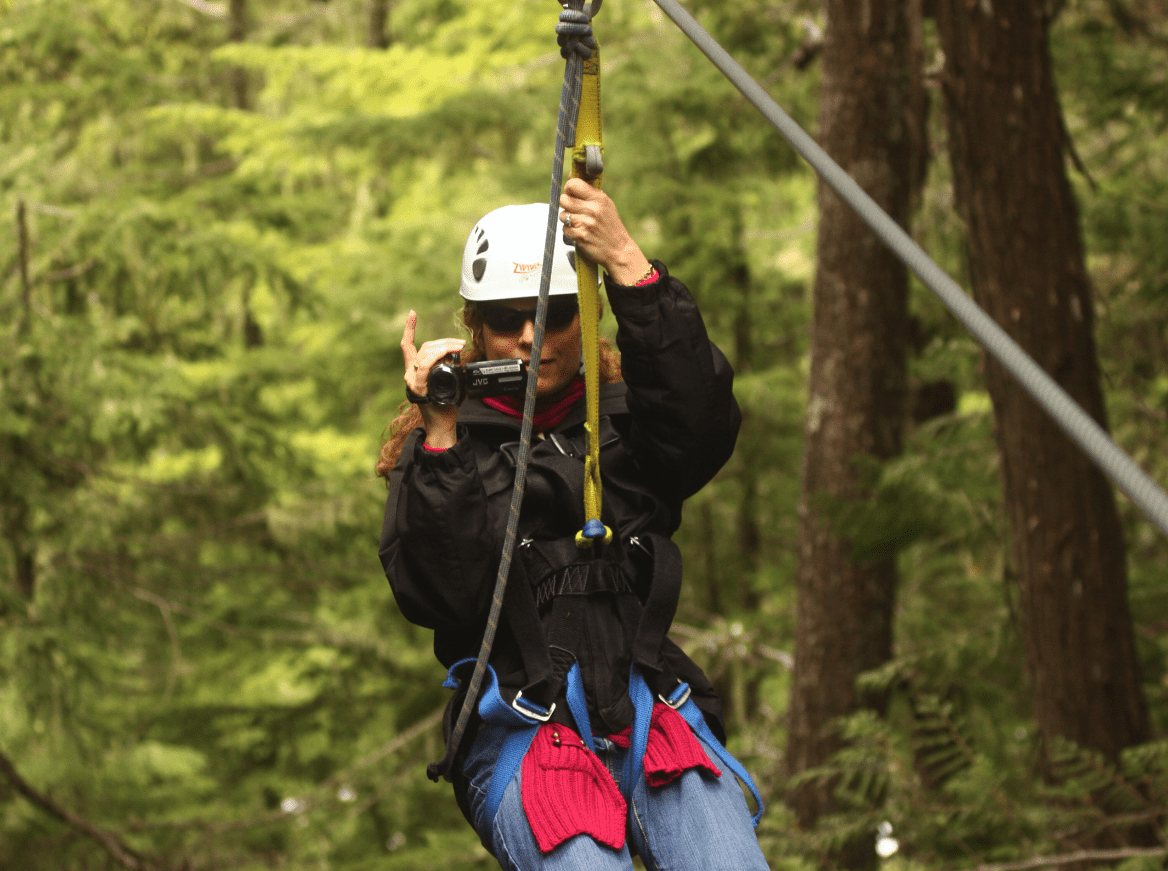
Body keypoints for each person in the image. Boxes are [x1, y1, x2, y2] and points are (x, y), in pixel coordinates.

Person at [377, 179, 769, 871]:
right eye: (507, 316)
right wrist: (439, 433)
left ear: (585, 315)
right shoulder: (451, 451)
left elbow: (699, 426)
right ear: (477, 325)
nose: (531, 335)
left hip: (647, 710)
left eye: (555, 314)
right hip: (522, 726)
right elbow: (440, 593)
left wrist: (628, 265)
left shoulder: (628, 424)